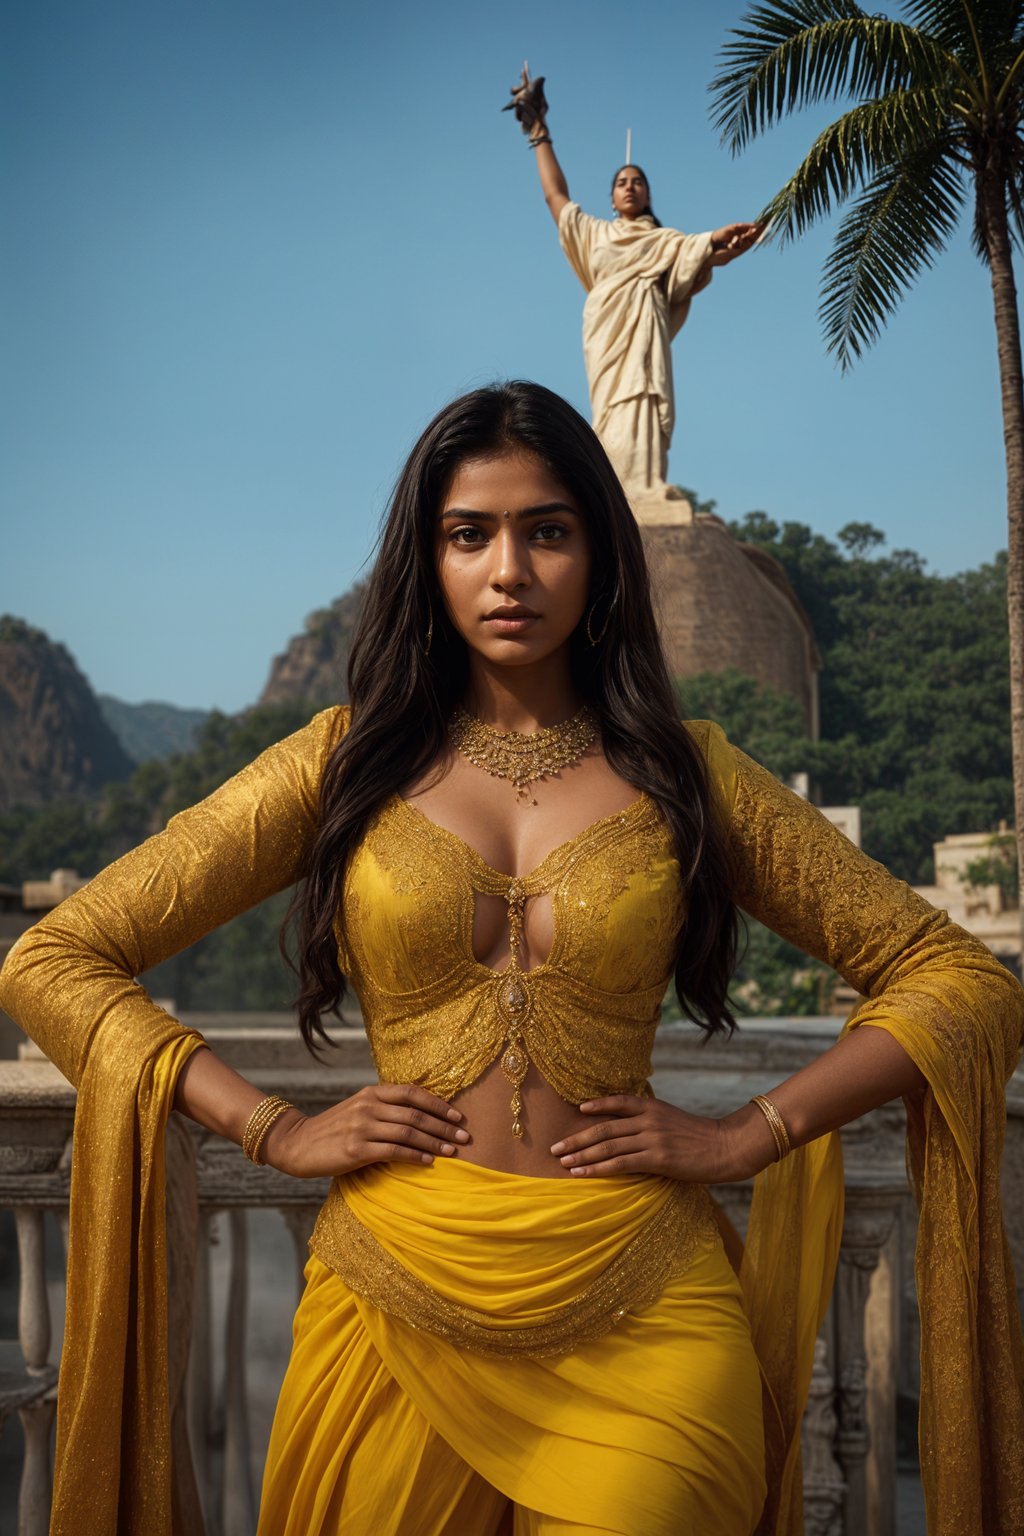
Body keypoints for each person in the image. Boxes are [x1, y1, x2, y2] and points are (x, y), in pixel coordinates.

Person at [1, 381, 1023, 1536]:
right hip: (394, 1296)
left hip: (643, 1302)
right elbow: (57, 957)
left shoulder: (688, 775)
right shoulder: (345, 765)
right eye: (468, 534)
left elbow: (961, 977)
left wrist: (750, 1131)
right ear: (426, 561)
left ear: (597, 555)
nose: (509, 572)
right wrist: (271, 1126)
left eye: (547, 531)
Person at [509, 69, 760, 502]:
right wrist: (538, 131)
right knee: (609, 410)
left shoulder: (665, 241)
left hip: (644, 342)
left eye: (637, 182)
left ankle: (642, 487)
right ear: (611, 198)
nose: (629, 187)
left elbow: (694, 258)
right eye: (621, 183)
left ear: (648, 196)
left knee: (642, 400)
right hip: (607, 337)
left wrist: (720, 244)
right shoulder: (594, 236)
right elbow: (555, 196)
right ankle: (614, 492)